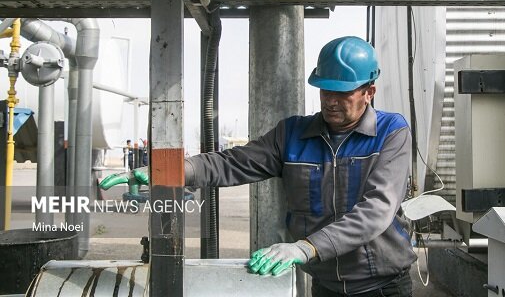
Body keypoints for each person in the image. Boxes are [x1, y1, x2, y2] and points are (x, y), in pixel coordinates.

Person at [102, 36, 415, 296]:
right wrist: (168, 170)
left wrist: (305, 248)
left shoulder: (391, 132)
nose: (331, 100)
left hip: (383, 286)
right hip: (325, 286)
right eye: (325, 89)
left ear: (369, 92)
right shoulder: (293, 134)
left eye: (343, 92)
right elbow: (233, 162)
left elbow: (376, 210)